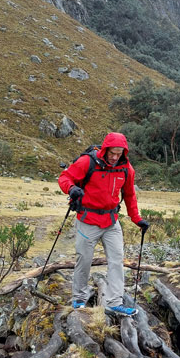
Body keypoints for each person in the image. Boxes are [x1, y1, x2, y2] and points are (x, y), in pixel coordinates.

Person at [58, 132, 149, 316]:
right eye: (112, 153)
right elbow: (64, 178)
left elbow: (130, 195)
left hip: (111, 221)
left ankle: (115, 302)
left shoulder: (126, 168)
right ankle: (79, 300)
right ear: (105, 150)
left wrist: (136, 219)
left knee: (117, 260)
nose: (115, 157)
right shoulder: (87, 162)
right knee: (84, 260)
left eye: (119, 153)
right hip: (88, 220)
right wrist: (72, 188)